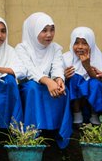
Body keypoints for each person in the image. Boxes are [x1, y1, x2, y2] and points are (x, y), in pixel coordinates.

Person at [14, 11, 73, 149]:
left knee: (64, 90)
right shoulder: (22, 48)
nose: (49, 34)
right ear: (33, 31)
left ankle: (58, 132)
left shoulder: (55, 48)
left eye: (52, 30)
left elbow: (57, 65)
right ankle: (33, 134)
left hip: (48, 85)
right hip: (29, 87)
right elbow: (29, 70)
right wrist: (48, 81)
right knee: (33, 88)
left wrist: (59, 79)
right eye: (44, 30)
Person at [62, 26, 102, 125]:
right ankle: (77, 113)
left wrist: (87, 67)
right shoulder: (66, 58)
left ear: (91, 44)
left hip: (92, 100)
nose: (80, 47)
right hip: (74, 101)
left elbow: (101, 83)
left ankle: (94, 115)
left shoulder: (97, 57)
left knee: (94, 83)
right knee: (74, 78)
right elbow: (61, 80)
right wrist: (64, 76)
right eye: (76, 42)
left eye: (84, 43)